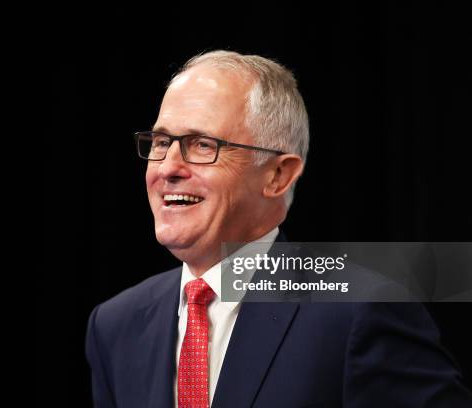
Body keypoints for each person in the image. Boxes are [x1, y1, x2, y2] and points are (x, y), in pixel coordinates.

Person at [85, 50, 472, 407]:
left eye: (203, 145)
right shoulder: (116, 324)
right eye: (161, 141)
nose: (167, 168)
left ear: (278, 175)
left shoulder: (362, 309)